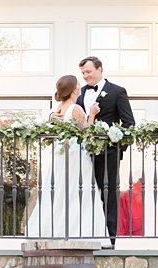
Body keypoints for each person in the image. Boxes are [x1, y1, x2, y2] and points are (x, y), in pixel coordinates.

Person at [23, 75, 108, 240]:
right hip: (76, 154)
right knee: (79, 190)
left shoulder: (58, 109)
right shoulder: (76, 108)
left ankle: (56, 229)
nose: (80, 86)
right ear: (74, 89)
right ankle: (80, 231)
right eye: (78, 84)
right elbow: (87, 131)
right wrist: (92, 114)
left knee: (60, 190)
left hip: (61, 154)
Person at [77, 56, 136, 246]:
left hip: (109, 153)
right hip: (85, 154)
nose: (85, 76)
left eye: (88, 72)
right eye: (83, 73)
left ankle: (110, 240)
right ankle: (88, 234)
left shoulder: (117, 92)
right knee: (86, 192)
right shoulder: (81, 94)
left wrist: (117, 147)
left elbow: (129, 124)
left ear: (100, 69)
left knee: (108, 194)